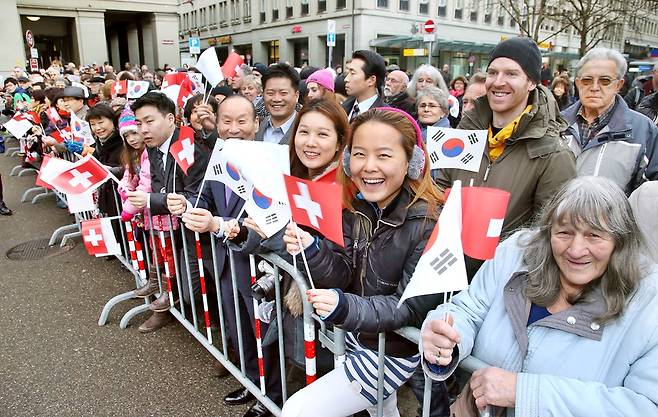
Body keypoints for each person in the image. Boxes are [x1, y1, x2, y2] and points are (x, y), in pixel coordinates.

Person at [420, 176, 658, 417]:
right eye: (564, 232)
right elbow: (470, 309)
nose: (575, 250)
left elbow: (646, 406)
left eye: (594, 235)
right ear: (548, 230)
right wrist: (446, 335)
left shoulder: (648, 304)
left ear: (620, 241)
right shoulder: (516, 254)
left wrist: (524, 392)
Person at [280, 108, 444, 417]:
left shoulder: (428, 223)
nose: (368, 167)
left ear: (413, 162)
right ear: (346, 159)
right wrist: (312, 249)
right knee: (381, 410)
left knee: (297, 410)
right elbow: (341, 273)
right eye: (359, 154)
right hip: (358, 336)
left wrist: (345, 308)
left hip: (392, 352)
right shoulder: (356, 207)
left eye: (384, 155)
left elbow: (407, 307)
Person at [168, 95, 280, 417]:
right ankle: (250, 380)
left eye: (242, 121)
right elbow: (205, 201)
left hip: (259, 267)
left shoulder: (270, 163)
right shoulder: (216, 159)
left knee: (264, 334)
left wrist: (222, 225)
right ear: (216, 125)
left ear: (256, 124)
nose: (234, 129)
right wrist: (186, 206)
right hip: (225, 262)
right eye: (226, 121)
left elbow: (268, 220)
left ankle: (271, 397)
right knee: (237, 327)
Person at [435, 37, 576, 280]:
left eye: (511, 74)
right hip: (443, 269)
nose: (498, 82)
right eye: (492, 72)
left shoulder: (553, 153)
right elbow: (440, 191)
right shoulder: (464, 134)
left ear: (531, 82)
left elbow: (550, 232)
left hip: (501, 282)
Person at [127, 92, 211, 328]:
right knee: (182, 287)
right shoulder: (153, 147)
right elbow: (158, 182)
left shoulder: (191, 147)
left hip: (198, 233)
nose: (143, 129)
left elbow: (195, 196)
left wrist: (151, 200)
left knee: (193, 290)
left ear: (171, 119)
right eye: (138, 123)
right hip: (171, 231)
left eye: (149, 121)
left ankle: (216, 331)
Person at [561, 47, 658, 194]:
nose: (594, 87)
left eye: (604, 81)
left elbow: (650, 196)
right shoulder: (557, 124)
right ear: (578, 83)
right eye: (587, 80)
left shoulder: (644, 131)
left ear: (618, 85)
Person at [86, 104, 124, 217]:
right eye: (93, 124)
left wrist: (113, 170)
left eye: (101, 122)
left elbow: (132, 168)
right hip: (107, 198)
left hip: (121, 198)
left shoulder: (124, 142)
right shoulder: (99, 143)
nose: (97, 128)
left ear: (112, 121)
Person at [255, 63, 300, 145]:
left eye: (283, 93)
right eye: (270, 93)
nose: (276, 99)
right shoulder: (256, 127)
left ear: (296, 96)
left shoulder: (305, 128)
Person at [342, 50, 387, 122]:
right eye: (347, 73)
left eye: (352, 73)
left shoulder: (386, 117)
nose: (346, 79)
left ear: (371, 80)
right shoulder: (343, 109)